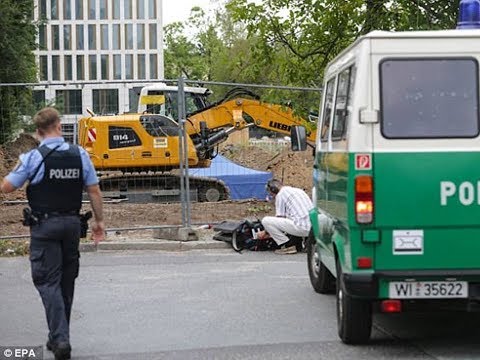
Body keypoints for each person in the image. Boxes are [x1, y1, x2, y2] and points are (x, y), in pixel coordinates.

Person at [0, 107, 105, 360]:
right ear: (59, 126)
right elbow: (94, 190)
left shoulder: (33, 157)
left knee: (48, 281)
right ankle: (56, 336)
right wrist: (99, 222)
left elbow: (7, 187)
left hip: (44, 227)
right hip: (71, 225)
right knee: (66, 281)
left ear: (38, 132)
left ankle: (60, 340)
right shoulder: (80, 154)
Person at [259, 178, 313, 255]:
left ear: (274, 190)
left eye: (271, 193)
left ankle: (287, 246)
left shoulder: (280, 195)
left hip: (302, 227)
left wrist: (265, 232)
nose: (272, 196)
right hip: (313, 228)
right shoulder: (298, 191)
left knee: (266, 221)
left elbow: (280, 218)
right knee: (292, 217)